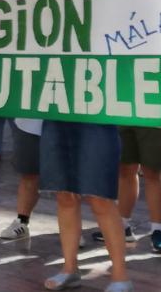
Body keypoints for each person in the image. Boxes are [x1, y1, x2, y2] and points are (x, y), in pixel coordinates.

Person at [41, 121, 131, 291]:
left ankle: (120, 277)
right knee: (64, 195)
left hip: (97, 117)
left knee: (100, 198)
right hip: (56, 115)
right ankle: (69, 269)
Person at [94, 125, 161, 253]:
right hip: (123, 115)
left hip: (154, 118)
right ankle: (123, 226)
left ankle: (158, 231)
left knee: (153, 171)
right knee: (125, 169)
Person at [0, 118, 43, 247]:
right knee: (29, 173)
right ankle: (22, 221)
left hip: (63, 123)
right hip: (28, 122)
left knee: (65, 177)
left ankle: (73, 228)